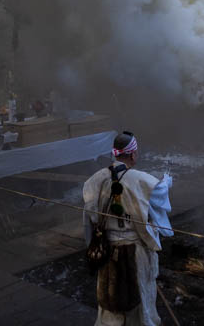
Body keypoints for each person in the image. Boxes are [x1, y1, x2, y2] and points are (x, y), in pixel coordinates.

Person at [83, 131, 172, 326]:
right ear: (132, 154)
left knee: (110, 303)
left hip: (106, 250)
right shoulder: (142, 181)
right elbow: (160, 197)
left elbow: (88, 219)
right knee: (140, 301)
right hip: (135, 251)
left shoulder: (93, 181)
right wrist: (166, 181)